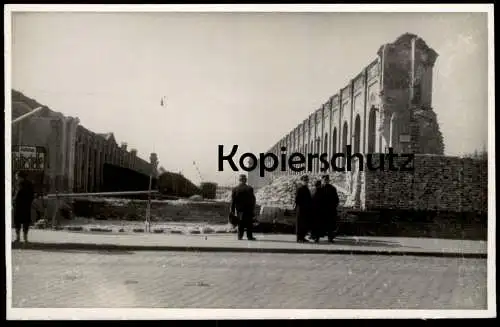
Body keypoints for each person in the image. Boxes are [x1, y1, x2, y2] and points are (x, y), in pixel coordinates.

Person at [229, 174, 257, 241]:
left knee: (240, 223)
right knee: (249, 223)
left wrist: (232, 210)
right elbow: (253, 200)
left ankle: (240, 236)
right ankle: (249, 237)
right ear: (245, 180)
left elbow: (233, 201)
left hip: (240, 210)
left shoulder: (235, 189)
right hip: (248, 209)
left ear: (239, 180)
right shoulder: (249, 188)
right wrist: (253, 209)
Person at [13, 171, 35, 243]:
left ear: (20, 177)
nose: (15, 177)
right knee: (22, 222)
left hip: (22, 205)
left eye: (16, 176)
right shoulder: (19, 184)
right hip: (22, 206)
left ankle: (20, 238)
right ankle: (22, 238)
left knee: (21, 222)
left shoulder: (25, 184)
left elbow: (15, 195)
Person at [318, 174, 340, 242]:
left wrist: (334, 207)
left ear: (328, 180)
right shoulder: (320, 188)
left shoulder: (332, 188)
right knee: (323, 224)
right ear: (322, 180)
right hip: (324, 210)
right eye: (324, 180)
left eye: (326, 180)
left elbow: (336, 199)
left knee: (329, 225)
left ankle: (329, 238)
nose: (325, 181)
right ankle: (319, 237)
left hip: (329, 210)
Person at [294, 175, 312, 243]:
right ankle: (299, 238)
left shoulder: (306, 188)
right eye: (305, 180)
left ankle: (303, 237)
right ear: (302, 181)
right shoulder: (300, 188)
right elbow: (297, 199)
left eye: (307, 180)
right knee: (300, 224)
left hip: (306, 210)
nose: (306, 181)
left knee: (304, 224)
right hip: (301, 209)